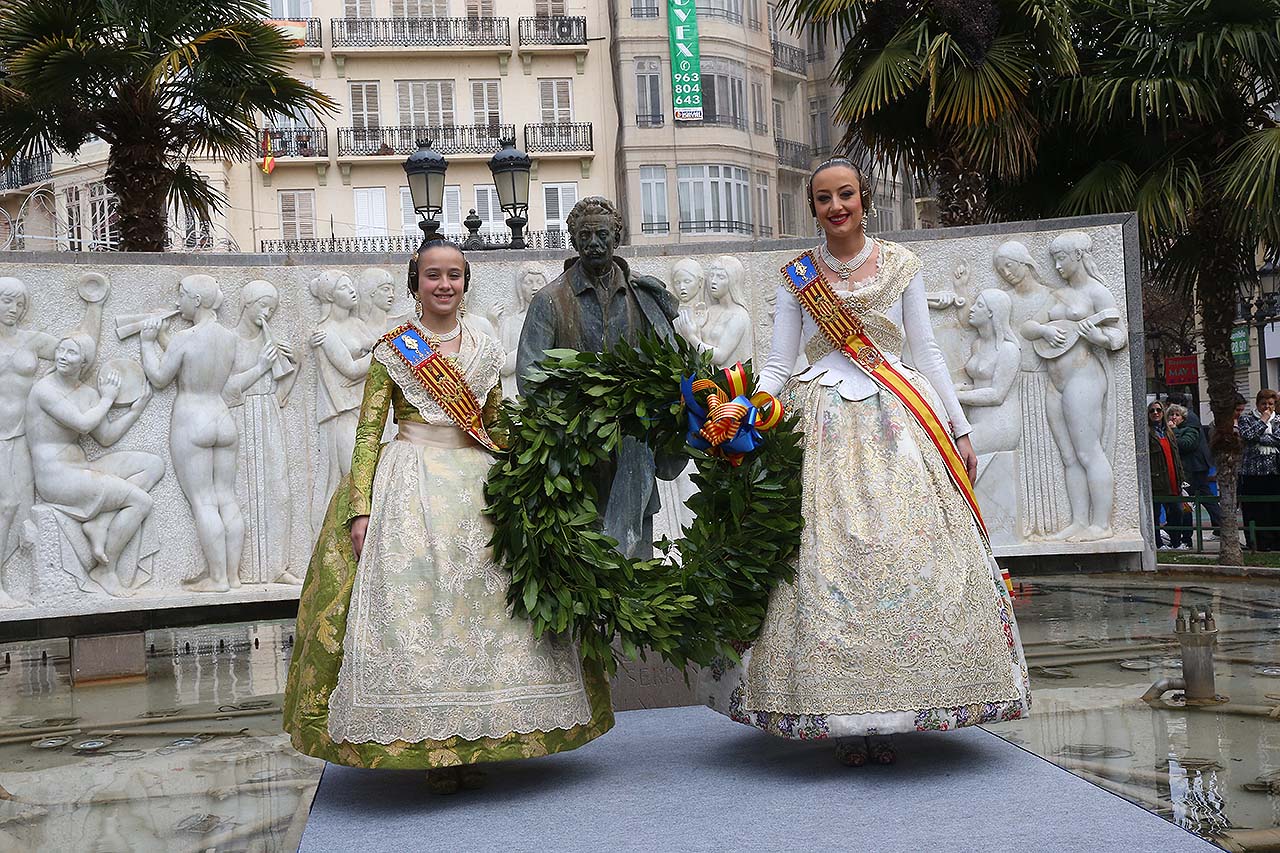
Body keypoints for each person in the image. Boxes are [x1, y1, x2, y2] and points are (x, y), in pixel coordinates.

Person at [703, 158, 1029, 765]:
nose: (836, 207)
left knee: (906, 551)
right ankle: (841, 716)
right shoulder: (796, 276)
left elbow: (927, 352)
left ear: (865, 199)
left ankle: (903, 706)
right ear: (813, 208)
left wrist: (959, 428)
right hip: (821, 419)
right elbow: (778, 362)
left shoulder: (902, 264)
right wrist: (747, 411)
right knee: (823, 563)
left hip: (898, 416)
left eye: (845, 195)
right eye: (824, 198)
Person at [283, 239, 612, 793]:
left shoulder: (484, 344)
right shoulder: (395, 348)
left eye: (454, 275)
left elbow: (496, 421)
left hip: (478, 481)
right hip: (410, 483)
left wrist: (530, 482)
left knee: (483, 608)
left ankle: (478, 737)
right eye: (433, 275)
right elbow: (369, 433)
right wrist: (360, 509)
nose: (444, 285)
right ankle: (434, 749)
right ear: (416, 283)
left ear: (465, 282)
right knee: (421, 605)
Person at [516, 196, 685, 559]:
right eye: (585, 235)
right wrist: (576, 420)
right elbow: (531, 376)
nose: (594, 243)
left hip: (634, 450)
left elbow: (672, 364)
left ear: (616, 238)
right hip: (577, 454)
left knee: (635, 566)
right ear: (574, 241)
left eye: (602, 235)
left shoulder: (644, 296)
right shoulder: (549, 300)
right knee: (582, 568)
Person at [1166, 394, 1220, 537]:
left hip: (1194, 465)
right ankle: (1219, 523)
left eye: (1175, 413)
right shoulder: (1189, 418)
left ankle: (1182, 532)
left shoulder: (1188, 420)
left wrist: (1174, 430)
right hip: (1196, 464)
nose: (1172, 416)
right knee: (1204, 495)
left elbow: (1187, 444)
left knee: (1188, 498)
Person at [1238, 389, 1280, 550]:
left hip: (1274, 471)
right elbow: (1247, 435)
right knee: (1255, 509)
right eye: (1263, 404)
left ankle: (1276, 542)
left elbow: (1278, 438)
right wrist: (1263, 421)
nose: (1267, 407)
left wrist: (1259, 438)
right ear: (1257, 404)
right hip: (1253, 473)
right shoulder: (1247, 419)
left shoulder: (1278, 420)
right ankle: (1258, 542)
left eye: (1270, 404)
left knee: (1274, 509)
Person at [1149, 401, 1189, 549]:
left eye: (1158, 410)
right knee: (1156, 513)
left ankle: (1176, 542)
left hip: (1173, 479)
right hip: (1157, 481)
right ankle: (1158, 544)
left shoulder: (1169, 432)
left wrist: (1180, 476)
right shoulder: (1148, 433)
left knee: (1177, 512)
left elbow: (1176, 456)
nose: (1155, 413)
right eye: (1152, 411)